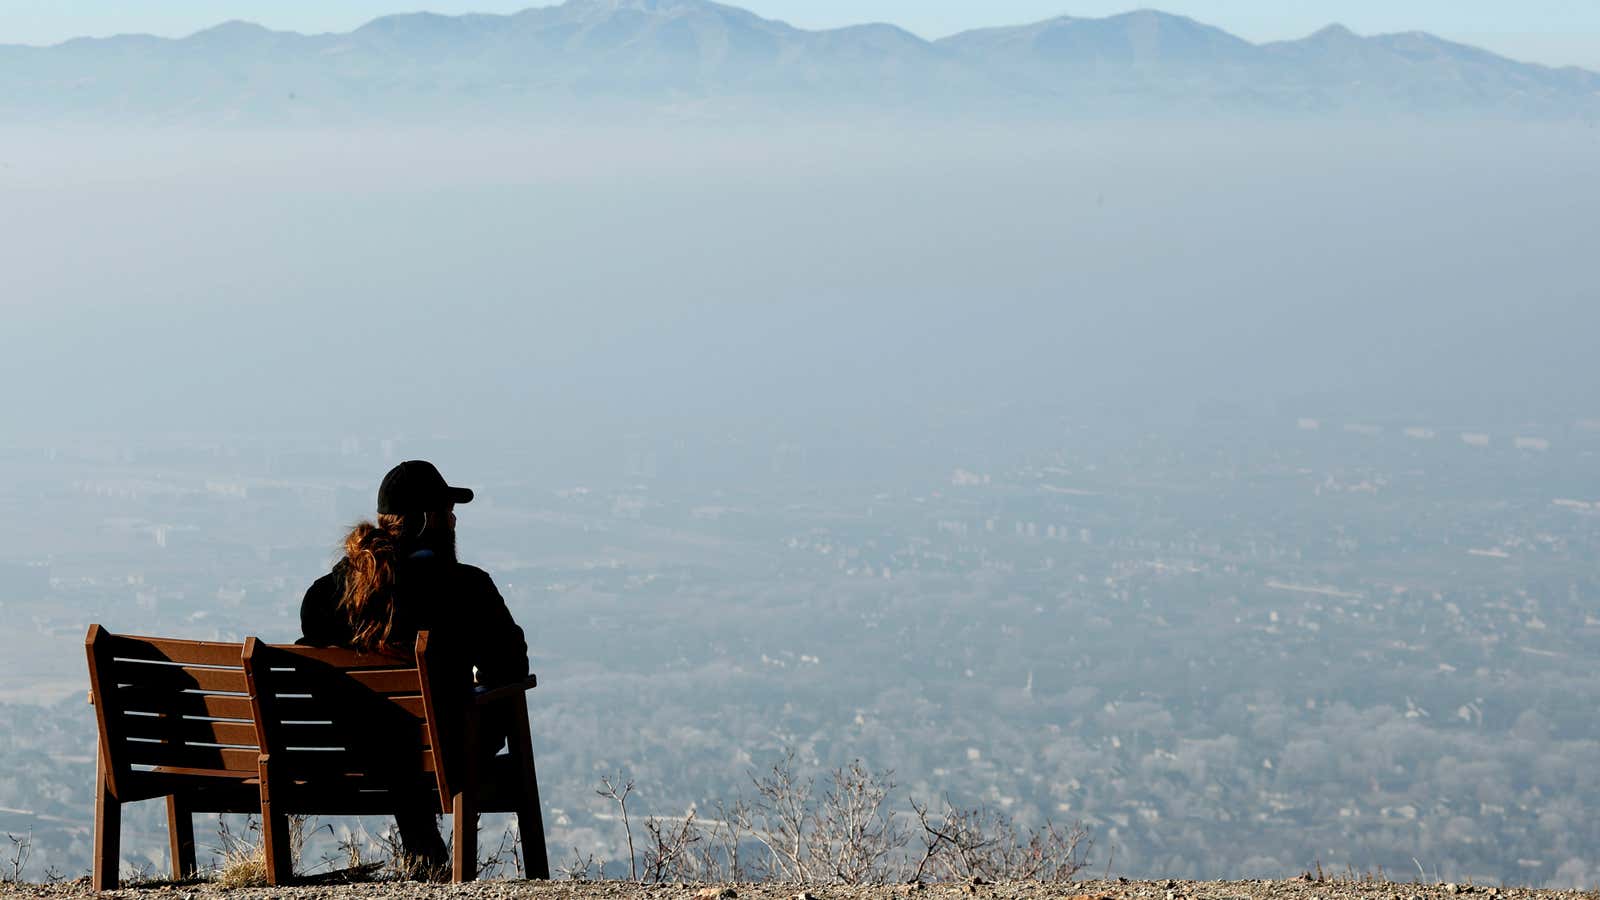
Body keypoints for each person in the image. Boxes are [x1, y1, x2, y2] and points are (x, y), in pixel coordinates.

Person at [298, 460, 528, 868]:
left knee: (395, 734)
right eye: (447, 512)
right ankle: (430, 855)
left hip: (359, 755)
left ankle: (423, 848)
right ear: (426, 521)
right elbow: (510, 664)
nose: (454, 520)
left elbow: (311, 632)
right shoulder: (466, 587)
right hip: (444, 754)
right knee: (492, 704)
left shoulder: (333, 596)